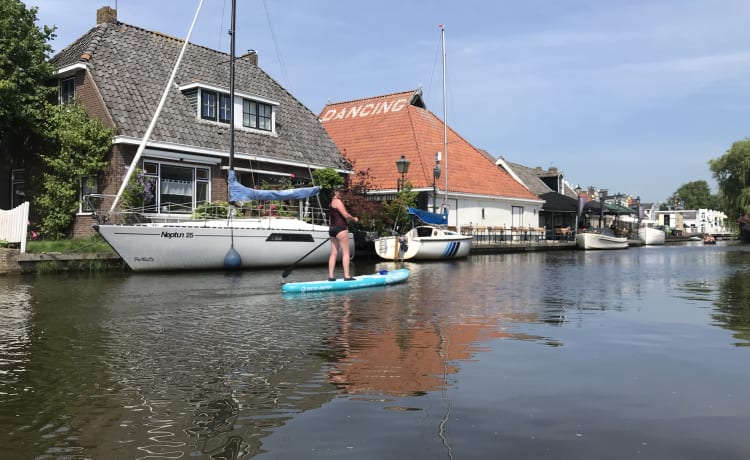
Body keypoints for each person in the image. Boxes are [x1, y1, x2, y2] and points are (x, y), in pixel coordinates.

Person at [328, 188, 358, 281]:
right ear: (335, 192)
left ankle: (331, 276)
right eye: (340, 192)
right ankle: (347, 276)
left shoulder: (330, 203)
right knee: (346, 253)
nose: (341, 194)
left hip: (332, 229)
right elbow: (345, 215)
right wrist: (354, 218)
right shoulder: (338, 202)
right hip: (340, 228)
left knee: (333, 253)